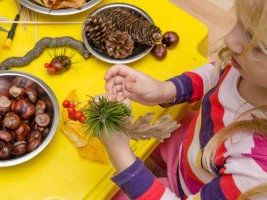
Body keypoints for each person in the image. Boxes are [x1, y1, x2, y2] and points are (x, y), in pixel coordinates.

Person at [101, 0, 267, 199]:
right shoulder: (248, 71)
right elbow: (216, 73)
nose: (230, 39)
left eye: (256, 44)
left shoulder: (255, 173)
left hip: (191, 190)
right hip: (190, 147)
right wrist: (165, 90)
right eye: (239, 22)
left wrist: (120, 154)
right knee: (143, 120)